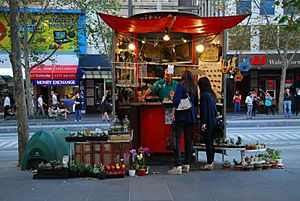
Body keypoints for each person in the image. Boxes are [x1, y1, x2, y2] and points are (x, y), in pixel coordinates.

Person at [168, 70, 198, 175]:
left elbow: (176, 100)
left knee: (177, 139)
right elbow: (195, 103)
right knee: (188, 140)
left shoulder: (181, 86)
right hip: (191, 117)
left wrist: (173, 112)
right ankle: (187, 164)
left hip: (181, 116)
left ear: (183, 77)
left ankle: (178, 165)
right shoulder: (194, 87)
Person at [198, 77, 217, 170]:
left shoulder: (204, 95)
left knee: (208, 142)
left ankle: (209, 163)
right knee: (211, 143)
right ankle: (211, 162)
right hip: (213, 121)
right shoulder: (212, 94)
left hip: (208, 122)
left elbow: (204, 110)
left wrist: (203, 123)